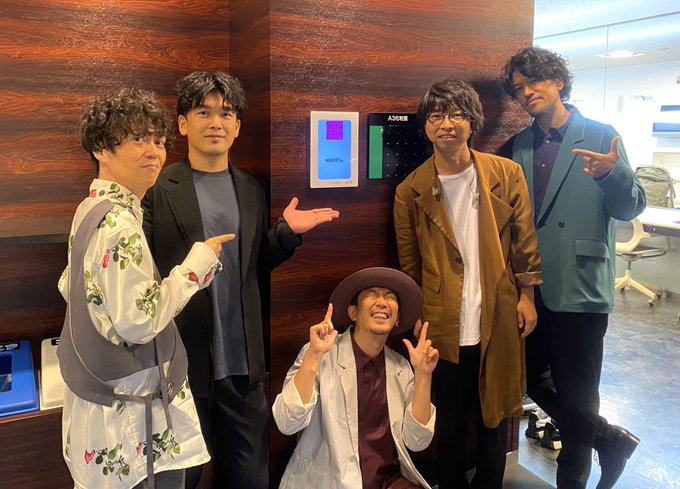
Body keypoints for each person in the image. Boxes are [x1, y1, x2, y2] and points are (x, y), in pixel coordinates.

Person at [141, 71, 339, 488]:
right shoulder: (158, 189)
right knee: (180, 481)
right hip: (182, 367)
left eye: (226, 113)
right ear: (182, 124)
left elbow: (252, 266)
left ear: (237, 126)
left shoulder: (251, 189)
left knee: (250, 479)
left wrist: (287, 233)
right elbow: (147, 275)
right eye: (204, 112)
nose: (216, 122)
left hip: (243, 366)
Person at [58, 88, 233, 489]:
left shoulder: (90, 208)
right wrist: (197, 265)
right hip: (132, 414)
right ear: (101, 148)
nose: (154, 152)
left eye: (159, 140)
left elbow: (70, 285)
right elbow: (139, 320)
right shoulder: (119, 223)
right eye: (138, 139)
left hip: (102, 402)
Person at [501, 46, 645, 489]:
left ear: (559, 81)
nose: (527, 93)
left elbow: (630, 207)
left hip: (580, 286)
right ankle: (605, 437)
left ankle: (574, 481)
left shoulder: (601, 136)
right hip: (529, 287)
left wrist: (610, 174)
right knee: (524, 378)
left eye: (534, 82)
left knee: (580, 394)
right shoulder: (518, 145)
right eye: (519, 88)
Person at [393, 79, 543, 489]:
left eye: (457, 114)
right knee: (449, 419)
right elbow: (409, 263)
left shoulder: (505, 173)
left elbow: (525, 240)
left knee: (495, 417)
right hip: (442, 320)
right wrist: (416, 316)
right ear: (426, 126)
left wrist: (527, 295)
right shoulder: (410, 190)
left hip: (498, 309)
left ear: (472, 121)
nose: (447, 124)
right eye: (437, 116)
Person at [272, 267, 438, 489]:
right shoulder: (321, 354)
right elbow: (286, 422)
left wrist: (423, 375)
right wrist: (314, 356)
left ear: (397, 318)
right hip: (330, 482)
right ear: (353, 313)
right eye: (372, 294)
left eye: (390, 297)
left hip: (386, 481)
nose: (382, 302)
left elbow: (417, 441)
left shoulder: (401, 367)